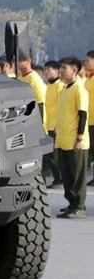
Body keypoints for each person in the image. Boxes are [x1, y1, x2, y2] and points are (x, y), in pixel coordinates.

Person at [54, 56, 88, 218]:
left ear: (74, 71)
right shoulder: (64, 88)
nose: (60, 71)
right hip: (63, 140)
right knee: (67, 175)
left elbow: (83, 115)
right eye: (60, 67)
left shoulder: (79, 89)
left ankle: (79, 206)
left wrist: (79, 138)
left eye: (64, 68)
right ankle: (71, 204)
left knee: (77, 176)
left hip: (75, 141)